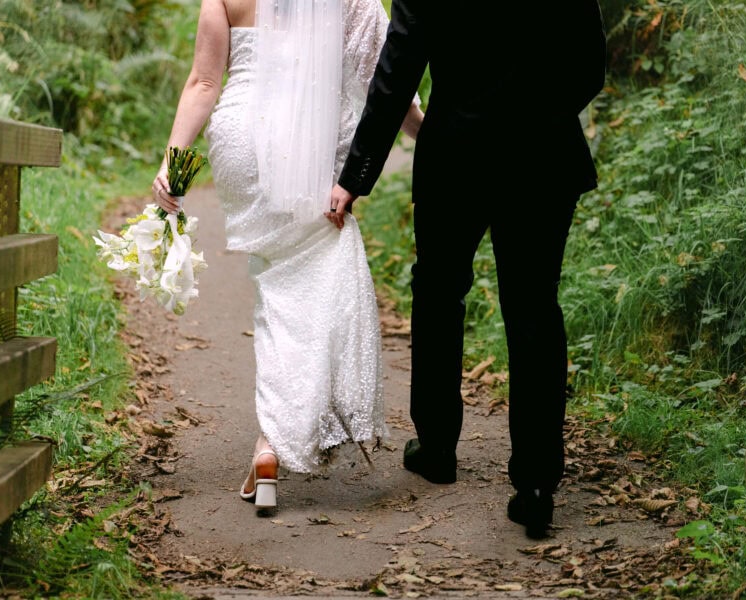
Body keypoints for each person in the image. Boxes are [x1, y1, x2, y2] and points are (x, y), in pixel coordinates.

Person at [328, 1, 607, 539]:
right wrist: (541, 111)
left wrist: (355, 176)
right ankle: (536, 483)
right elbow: (591, 65)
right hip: (544, 153)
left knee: (438, 290)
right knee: (533, 306)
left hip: (455, 153)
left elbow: (396, 73)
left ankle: (436, 448)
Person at [152, 0, 424, 511]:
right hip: (314, 146)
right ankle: (273, 440)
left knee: (274, 285)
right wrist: (431, 138)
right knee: (316, 277)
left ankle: (274, 442)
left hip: (242, 142)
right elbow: (385, 80)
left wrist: (175, 168)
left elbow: (203, 83)